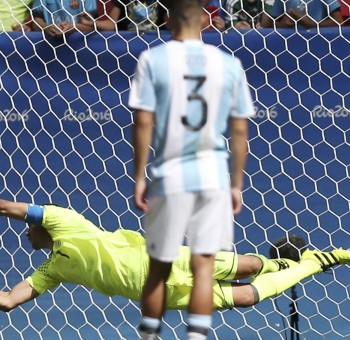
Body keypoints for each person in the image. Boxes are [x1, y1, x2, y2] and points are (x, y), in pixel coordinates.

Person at [0, 198, 350, 315]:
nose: (26, 229)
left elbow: (5, 208)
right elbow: (7, 301)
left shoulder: (65, 220)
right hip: (158, 296)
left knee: (240, 265)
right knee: (243, 298)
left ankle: (301, 261)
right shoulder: (52, 269)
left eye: (29, 224)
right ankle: (311, 263)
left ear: (44, 224)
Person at [128, 0, 254, 338]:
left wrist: (139, 176)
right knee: (204, 267)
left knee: (159, 270)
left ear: (167, 18)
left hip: (170, 176)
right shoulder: (228, 64)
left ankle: (149, 336)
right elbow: (240, 130)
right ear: (203, 18)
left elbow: (143, 121)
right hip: (212, 175)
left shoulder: (152, 59)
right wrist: (236, 184)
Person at [29, 0, 100, 37]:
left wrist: (72, 27)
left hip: (80, 44)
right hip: (50, 46)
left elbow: (93, 26)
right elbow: (35, 23)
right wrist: (46, 27)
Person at [259, 0, 344, 28]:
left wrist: (308, 23)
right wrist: (283, 24)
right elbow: (272, 23)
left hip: (318, 41)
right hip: (289, 42)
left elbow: (338, 21)